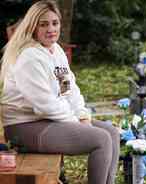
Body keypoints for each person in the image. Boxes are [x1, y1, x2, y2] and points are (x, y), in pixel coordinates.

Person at [0, 1, 120, 184]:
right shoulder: (29, 57)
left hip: (48, 120)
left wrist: (82, 116)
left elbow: (68, 90)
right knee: (101, 139)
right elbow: (45, 105)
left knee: (111, 132)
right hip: (23, 128)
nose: (51, 29)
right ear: (33, 27)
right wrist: (76, 124)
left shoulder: (55, 51)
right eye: (44, 24)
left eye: (55, 23)